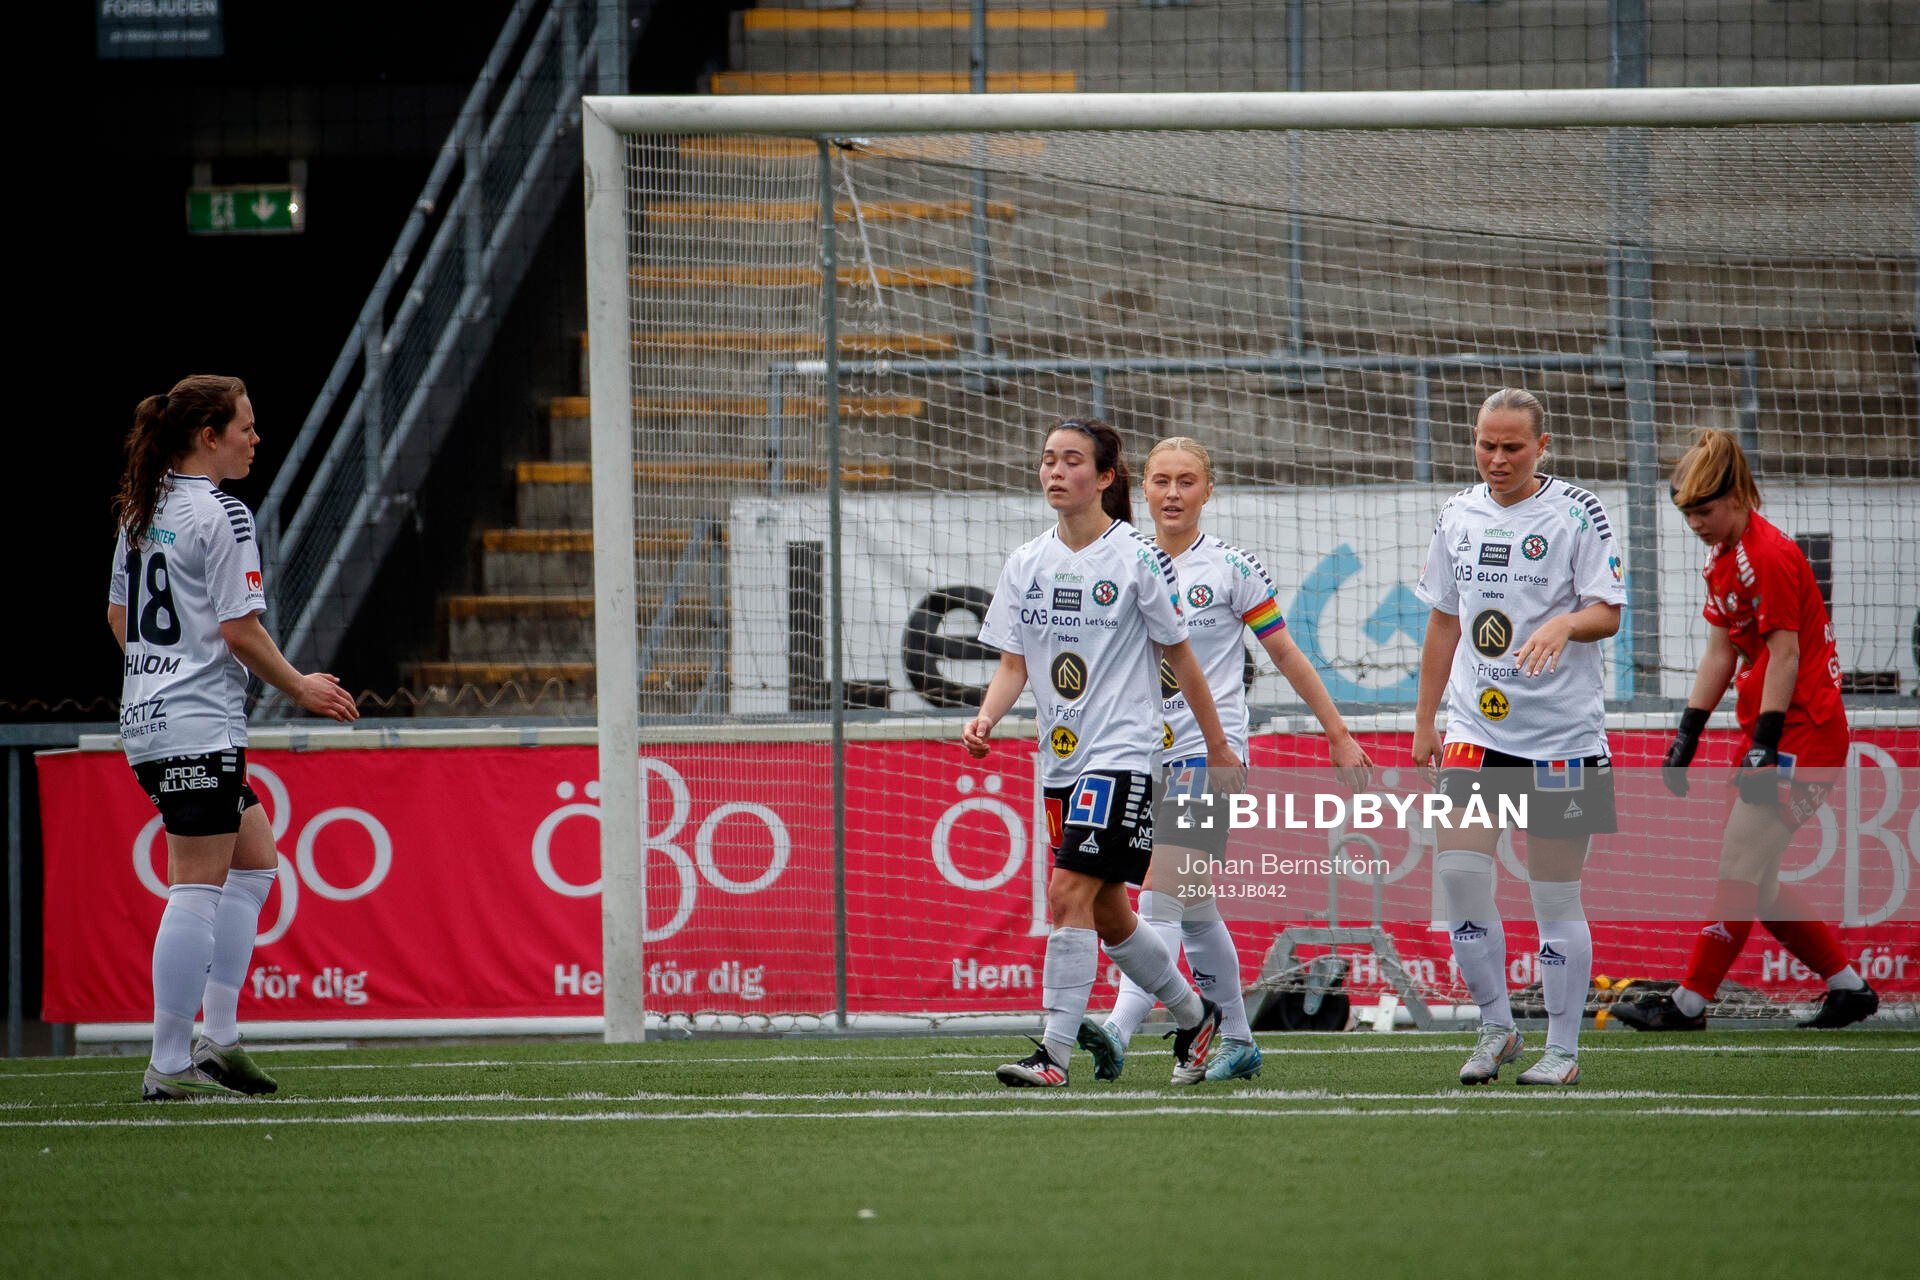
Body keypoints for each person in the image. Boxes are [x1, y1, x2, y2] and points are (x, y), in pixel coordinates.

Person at [1076, 436, 1374, 1083]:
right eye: (1161, 480)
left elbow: (1287, 654)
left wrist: (1336, 732)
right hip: (1131, 754)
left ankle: (1120, 1031)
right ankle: (1236, 1037)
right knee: (1196, 908)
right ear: (1140, 488)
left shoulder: (1232, 568)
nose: (1174, 493)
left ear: (1209, 490)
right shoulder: (1117, 562)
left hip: (1208, 757)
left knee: (1160, 896)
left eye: (1187, 481)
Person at [964, 418, 1242, 1087]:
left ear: (1107, 476)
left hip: (1120, 756)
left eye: (1072, 461)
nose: (1056, 472)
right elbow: (1013, 665)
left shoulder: (1137, 558)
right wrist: (986, 715)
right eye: (1048, 460)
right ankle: (1192, 1014)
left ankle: (1053, 1054)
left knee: (1066, 894)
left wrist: (1216, 746)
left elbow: (1182, 658)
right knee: (1112, 910)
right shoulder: (1026, 562)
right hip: (1059, 759)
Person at [109, 376, 359, 1100]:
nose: (256, 438)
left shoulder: (140, 507)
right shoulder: (223, 514)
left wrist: (159, 678)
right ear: (209, 437)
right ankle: (167, 1061)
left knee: (254, 861)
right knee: (196, 886)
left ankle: (219, 1036)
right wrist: (300, 686)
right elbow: (239, 630)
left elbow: (120, 618)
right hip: (194, 725)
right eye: (245, 427)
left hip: (150, 719)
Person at [1611, 429, 1876, 1032]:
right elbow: (1719, 651)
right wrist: (1688, 731)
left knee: (1738, 869)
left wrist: (1764, 744)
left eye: (1704, 510)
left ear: (1735, 497)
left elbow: (1784, 655)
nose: (1696, 524)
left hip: (1801, 734)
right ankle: (1848, 988)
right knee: (1759, 881)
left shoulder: (1771, 556)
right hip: (1778, 732)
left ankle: (1689, 1003)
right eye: (1687, 514)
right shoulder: (1724, 557)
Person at [1412, 388, 1625, 1087]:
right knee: (1462, 881)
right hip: (1477, 729)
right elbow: (1445, 618)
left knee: (1555, 898)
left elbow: (1607, 613)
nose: (1497, 458)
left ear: (1542, 445)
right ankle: (1496, 1028)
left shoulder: (1577, 512)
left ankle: (1561, 1051)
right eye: (1486, 444)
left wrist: (1566, 623)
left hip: (1563, 736)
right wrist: (1425, 720)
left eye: (1512, 446)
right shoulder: (1457, 513)